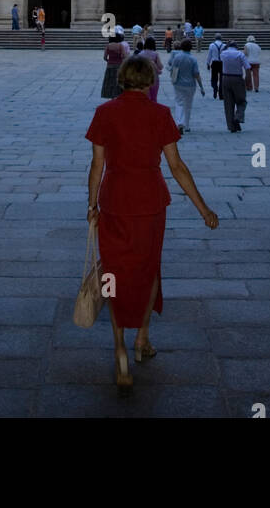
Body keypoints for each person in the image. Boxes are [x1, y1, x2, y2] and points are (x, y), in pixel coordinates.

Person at [85, 55, 219, 392]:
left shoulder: (104, 113)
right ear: (149, 82)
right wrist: (203, 209)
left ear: (122, 80)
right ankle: (142, 338)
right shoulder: (160, 114)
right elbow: (177, 167)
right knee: (148, 269)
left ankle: (120, 348)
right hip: (149, 202)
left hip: (114, 201)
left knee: (113, 271)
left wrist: (92, 204)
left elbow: (96, 166)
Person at [168, 40, 205, 133]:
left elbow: (172, 69)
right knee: (188, 105)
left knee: (179, 103)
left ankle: (179, 123)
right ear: (191, 48)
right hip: (190, 85)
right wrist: (201, 87)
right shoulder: (193, 59)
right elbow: (196, 74)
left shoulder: (177, 57)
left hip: (178, 84)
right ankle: (187, 125)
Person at [219, 41, 252, 132]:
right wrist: (247, 81)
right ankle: (238, 116)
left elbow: (221, 53)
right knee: (241, 101)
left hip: (225, 78)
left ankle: (231, 126)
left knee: (228, 104)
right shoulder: (240, 54)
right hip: (237, 79)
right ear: (236, 47)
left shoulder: (223, 54)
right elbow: (248, 68)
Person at [134, 35, 163, 103]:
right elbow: (161, 66)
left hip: (143, 78)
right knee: (154, 98)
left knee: (145, 98)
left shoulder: (140, 54)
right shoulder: (155, 54)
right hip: (154, 78)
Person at [101, 35, 126, 99]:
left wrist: (109, 61)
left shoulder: (108, 46)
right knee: (119, 82)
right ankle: (119, 95)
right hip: (119, 66)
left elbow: (105, 57)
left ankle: (111, 96)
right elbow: (124, 56)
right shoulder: (120, 46)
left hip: (110, 66)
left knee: (110, 82)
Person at [206, 34, 225, 99]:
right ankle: (221, 94)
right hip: (222, 63)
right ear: (221, 38)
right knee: (222, 79)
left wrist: (208, 63)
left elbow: (209, 55)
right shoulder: (224, 45)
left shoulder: (212, 45)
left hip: (214, 63)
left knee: (214, 77)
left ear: (215, 38)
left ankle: (215, 88)